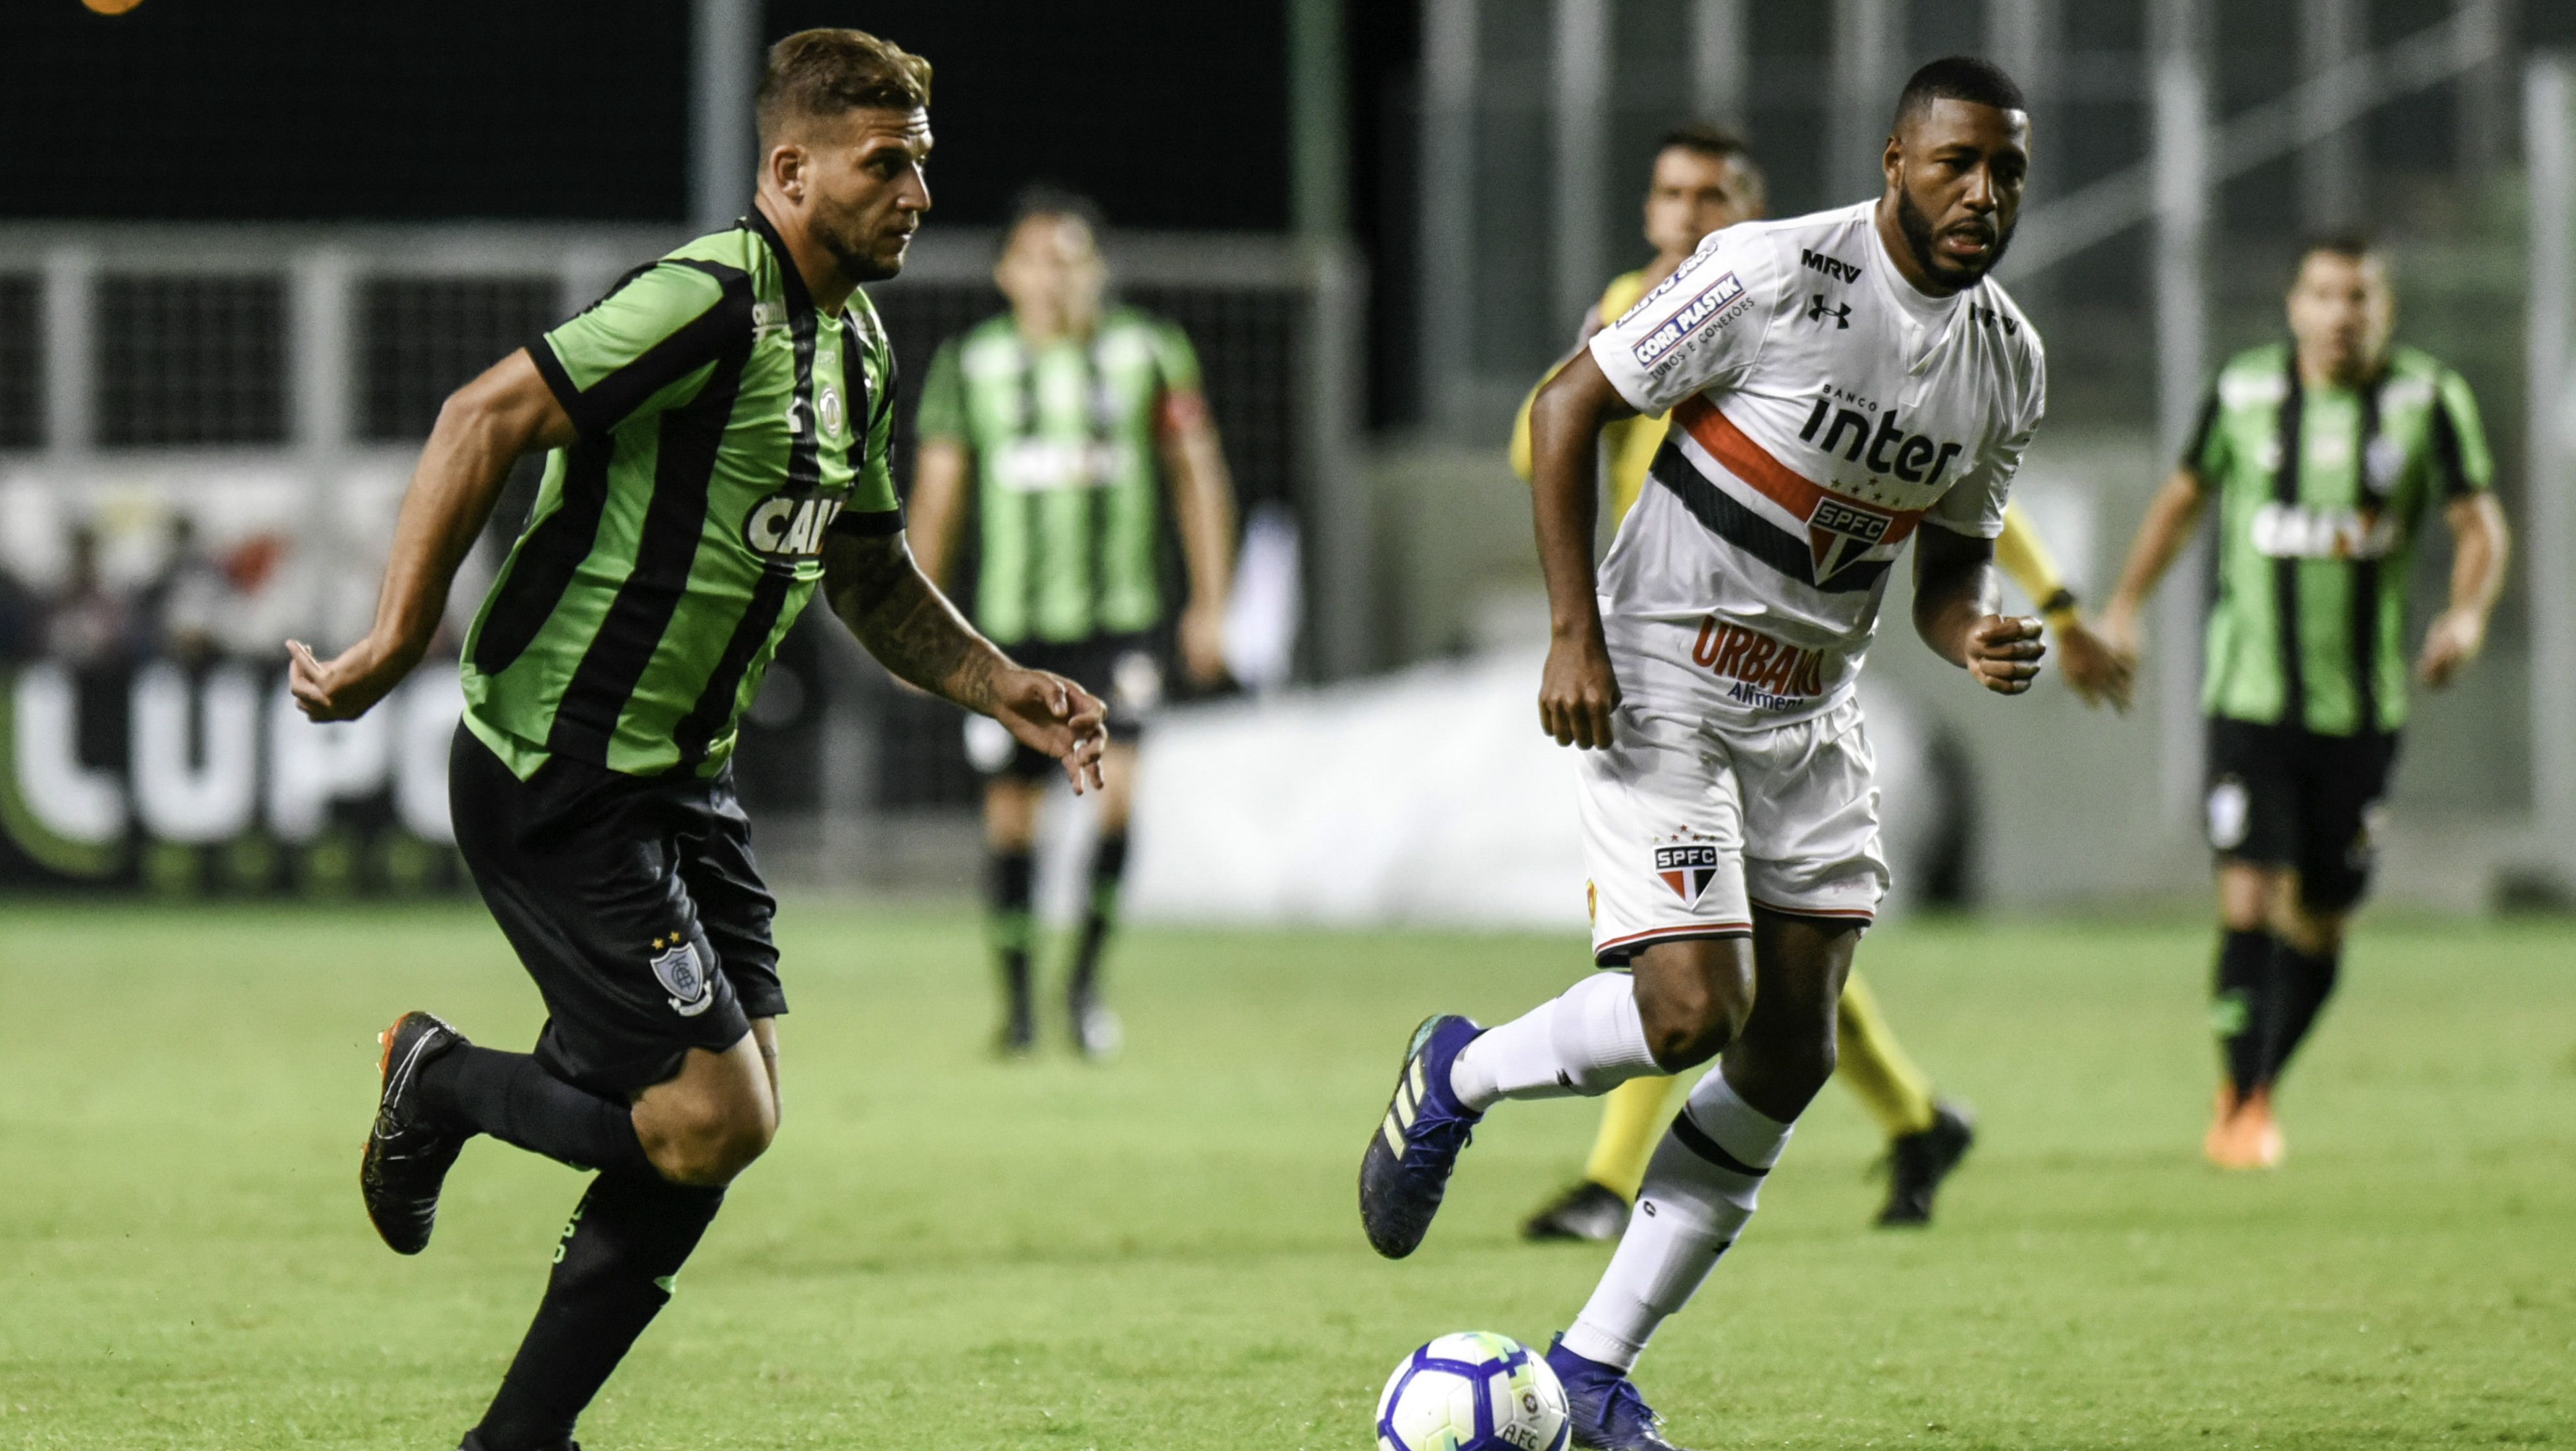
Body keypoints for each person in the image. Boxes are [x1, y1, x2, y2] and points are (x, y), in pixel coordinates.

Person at [285, 31, 1106, 1451]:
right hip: (561, 769)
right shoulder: (704, 302)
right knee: (710, 1118)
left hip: (680, 784)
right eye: (885, 163)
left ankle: (518, 1435)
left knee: (727, 1115)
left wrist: (997, 684)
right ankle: (447, 1079)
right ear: (790, 171)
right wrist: (395, 640)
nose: (916, 190)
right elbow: (482, 415)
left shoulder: (854, 348)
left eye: (923, 161)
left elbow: (861, 570)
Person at [1360, 59, 2049, 1450]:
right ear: (1892, 161)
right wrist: (1572, 634)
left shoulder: (2005, 361)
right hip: (1659, 673)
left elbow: (1942, 578)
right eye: (1954, 163)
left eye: (2005, 171)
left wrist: (1972, 631)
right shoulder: (1768, 271)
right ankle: (1460, 1073)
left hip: (1809, 708)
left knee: (1787, 1057)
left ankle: (1596, 1369)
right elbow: (1566, 409)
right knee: (1688, 1012)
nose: (1981, 195)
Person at [1505, 125, 2127, 1241]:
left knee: (1755, 988)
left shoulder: (1825, 300)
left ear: (1751, 205)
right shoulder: (1649, 304)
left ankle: (1634, 1186)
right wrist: (1578, 629)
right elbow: (1545, 431)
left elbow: (1953, 496)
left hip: (1795, 683)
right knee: (1703, 975)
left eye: (1715, 194)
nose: (1691, 212)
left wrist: (2042, 611)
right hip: (1659, 666)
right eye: (1671, 191)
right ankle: (1654, 1167)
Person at [2095, 236, 2510, 1170]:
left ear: (2385, 310)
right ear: (2294, 306)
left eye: (2358, 295)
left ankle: (2258, 1083)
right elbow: (2182, 498)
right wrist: (2124, 609)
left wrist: (2468, 616)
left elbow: (2479, 522)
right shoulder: (2243, 394)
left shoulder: (2427, 400)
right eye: (2322, 293)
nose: (2340, 313)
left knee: (2322, 921)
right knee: (2248, 895)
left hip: (2361, 713)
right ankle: (2242, 1107)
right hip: (2249, 699)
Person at [906, 189, 1238, 1058]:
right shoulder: (972, 364)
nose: (1055, 277)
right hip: (1012, 634)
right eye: (1037, 259)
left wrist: (1211, 605)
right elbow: (938, 498)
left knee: (1118, 796)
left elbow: (1196, 478)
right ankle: (1017, 1007)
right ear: (1006, 273)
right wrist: (911, 623)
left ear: (1098, 270)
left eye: (1072, 258)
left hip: (1119, 627)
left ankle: (1085, 987)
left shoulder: (1149, 353)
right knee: (1012, 816)